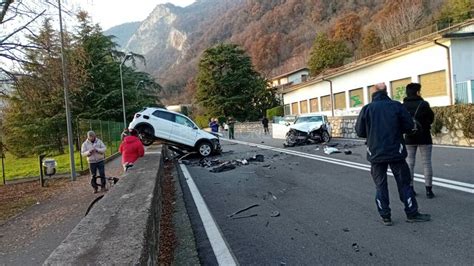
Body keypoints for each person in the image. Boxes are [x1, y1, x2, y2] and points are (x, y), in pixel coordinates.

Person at [355, 83, 430, 226]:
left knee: (380, 185)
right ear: (386, 91)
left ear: (373, 93)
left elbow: (360, 132)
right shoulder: (396, 106)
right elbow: (409, 127)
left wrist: (372, 134)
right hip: (396, 151)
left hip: (375, 152)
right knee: (404, 184)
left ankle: (385, 217)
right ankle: (411, 213)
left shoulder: (367, 109)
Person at [403, 83, 435, 198]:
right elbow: (431, 119)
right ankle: (429, 191)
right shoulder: (424, 104)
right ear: (417, 92)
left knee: (409, 164)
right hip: (425, 137)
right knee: (427, 163)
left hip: (409, 138)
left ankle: (411, 189)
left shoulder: (403, 106)